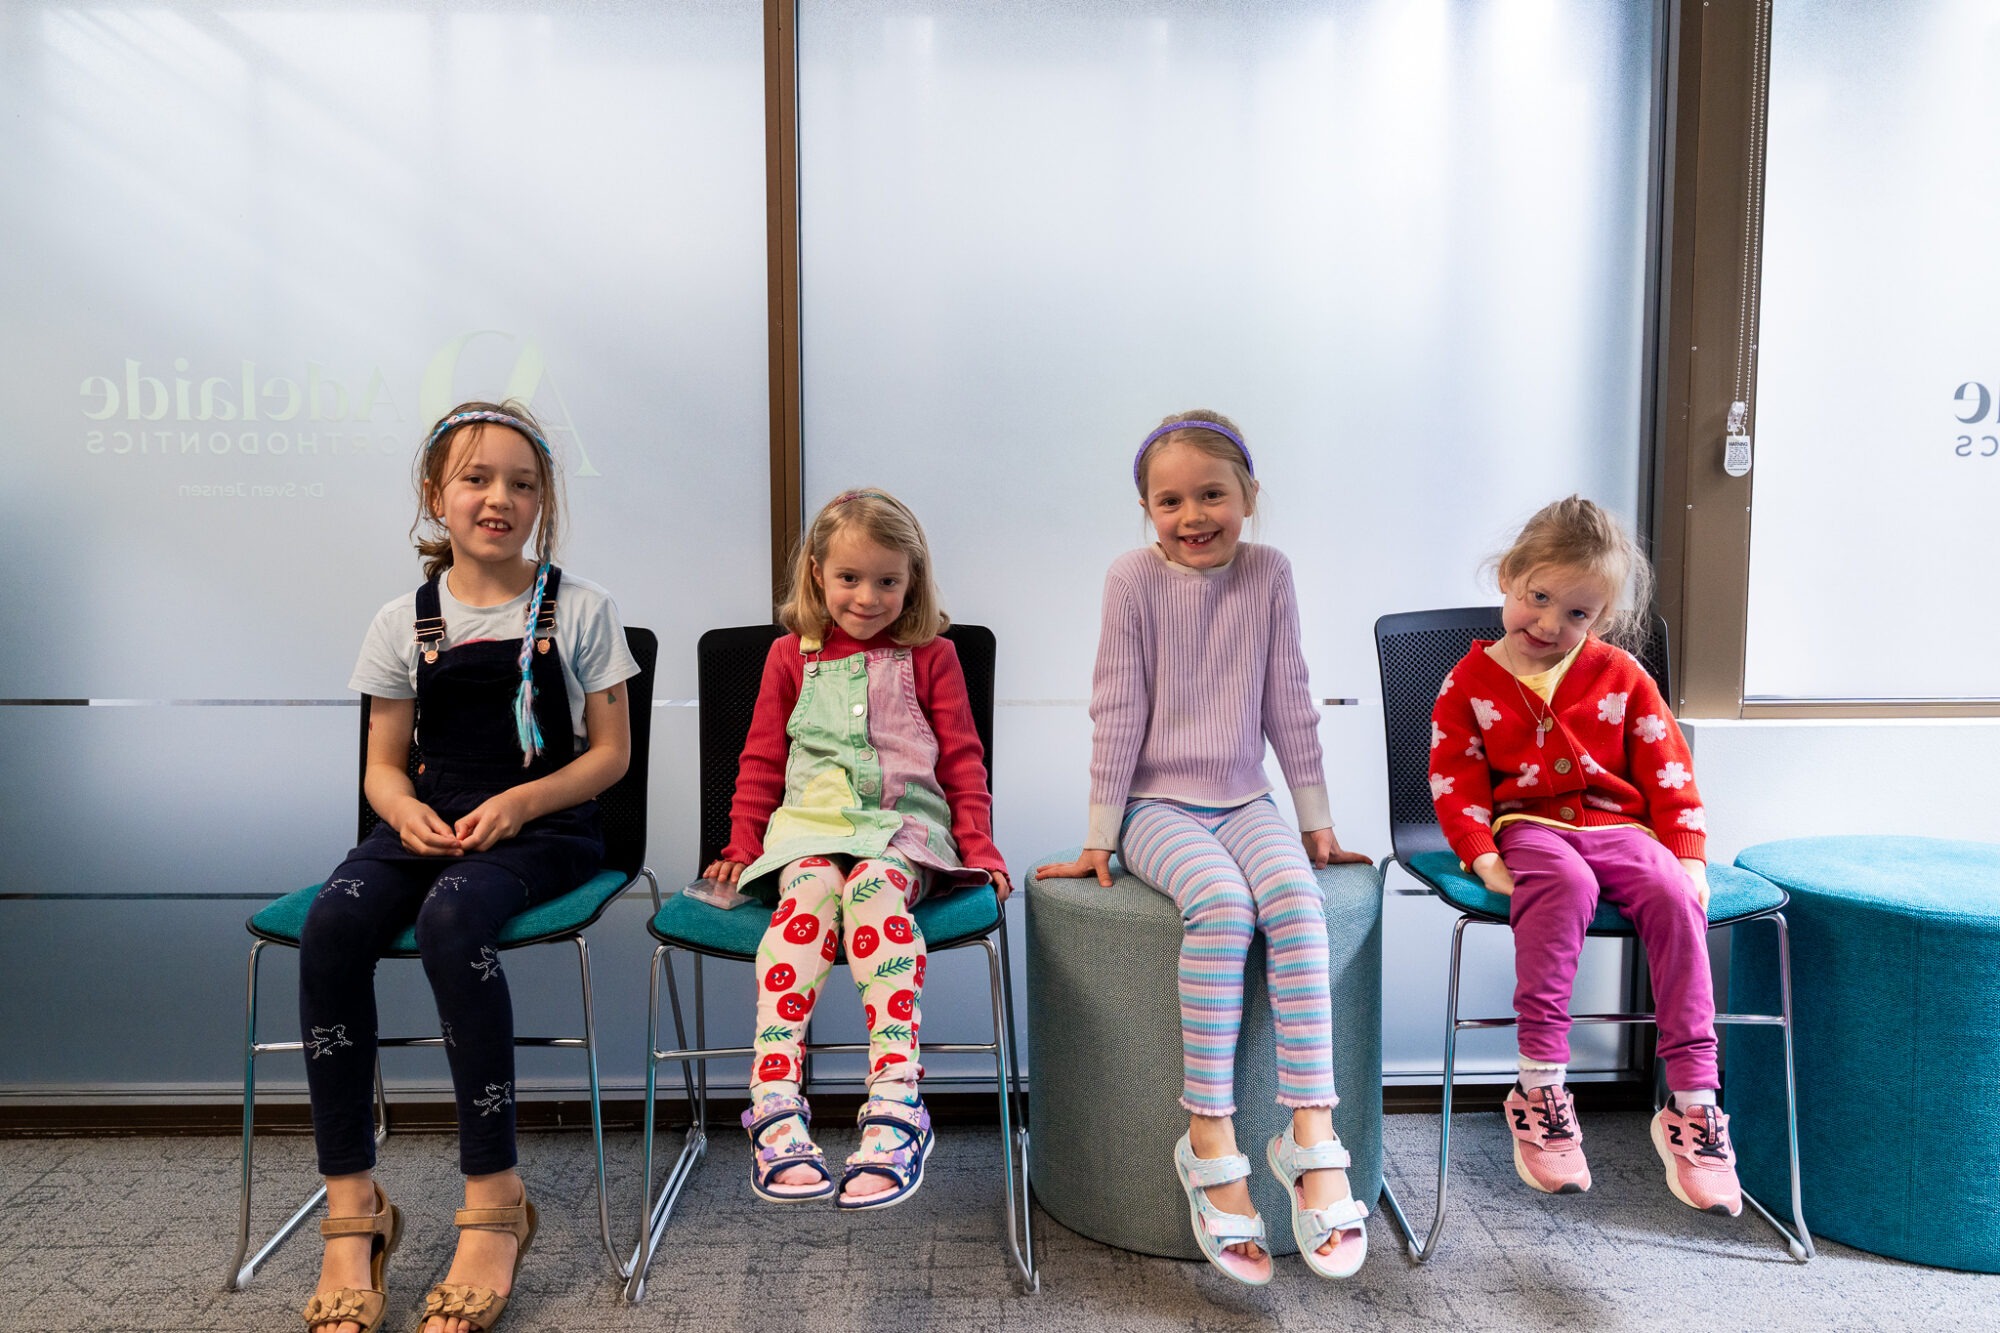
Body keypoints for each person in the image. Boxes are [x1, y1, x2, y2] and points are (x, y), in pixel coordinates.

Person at [297, 402, 638, 1333]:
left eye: (522, 484)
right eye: (477, 479)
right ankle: (353, 1205)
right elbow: (383, 764)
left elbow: (611, 755)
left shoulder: (581, 607)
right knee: (332, 923)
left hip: (545, 824)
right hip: (430, 815)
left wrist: (522, 803)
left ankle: (494, 1199)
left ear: (543, 501)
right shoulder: (401, 619)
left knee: (452, 919)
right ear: (434, 494)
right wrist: (401, 809)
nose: (500, 498)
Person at [1041, 411, 1372, 1284]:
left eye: (1212, 494)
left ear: (1249, 497)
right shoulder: (1132, 579)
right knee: (1223, 905)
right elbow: (1118, 708)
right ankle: (1209, 1131)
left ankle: (1310, 1130)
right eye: (1170, 500)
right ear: (1147, 510)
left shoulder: (1270, 573)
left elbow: (1288, 697)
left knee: (1296, 901)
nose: (1193, 515)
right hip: (1156, 807)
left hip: (1246, 800)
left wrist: (1315, 819)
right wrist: (1100, 836)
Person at [1428, 494, 1742, 1215]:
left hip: (1621, 829)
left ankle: (1693, 1103)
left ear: (1600, 617)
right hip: (1530, 828)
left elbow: (1669, 770)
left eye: (1577, 613)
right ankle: (1539, 1087)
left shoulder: (1621, 675)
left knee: (1674, 896)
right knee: (1564, 886)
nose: (1550, 624)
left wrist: (1688, 855)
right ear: (1508, 577)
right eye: (1538, 598)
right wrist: (1481, 854)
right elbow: (1454, 781)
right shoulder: (1469, 683)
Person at [704, 488, 1008, 1210]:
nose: (867, 597)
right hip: (809, 830)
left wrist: (981, 847)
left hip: (903, 833)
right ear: (817, 573)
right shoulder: (789, 657)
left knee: (872, 887)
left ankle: (898, 1101)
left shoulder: (933, 656)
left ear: (913, 579)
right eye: (849, 578)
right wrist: (742, 844)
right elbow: (761, 760)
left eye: (887, 580)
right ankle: (775, 1101)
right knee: (808, 891)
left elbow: (963, 762)